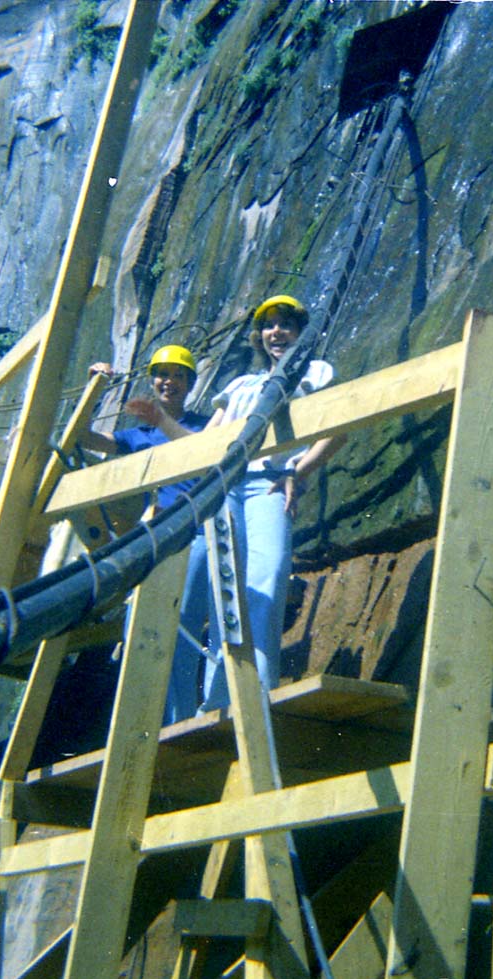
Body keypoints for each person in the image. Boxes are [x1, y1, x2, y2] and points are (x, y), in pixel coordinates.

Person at [190, 295, 344, 711]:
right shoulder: (239, 386)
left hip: (271, 484)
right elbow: (205, 442)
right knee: (227, 590)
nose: (277, 332)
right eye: (269, 325)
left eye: (287, 325)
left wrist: (299, 470)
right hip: (226, 486)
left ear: (301, 333)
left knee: (268, 577)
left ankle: (256, 694)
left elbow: (338, 428)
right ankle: (216, 700)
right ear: (259, 336)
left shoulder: (315, 372)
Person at [79, 344, 211, 724]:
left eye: (178, 375)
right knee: (142, 624)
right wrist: (95, 390)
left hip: (198, 531)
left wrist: (160, 422)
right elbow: (86, 437)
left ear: (189, 384)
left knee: (182, 620)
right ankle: (150, 721)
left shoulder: (205, 425)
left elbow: (200, 446)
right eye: (162, 374)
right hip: (157, 537)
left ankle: (178, 721)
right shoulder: (138, 436)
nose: (169, 382)